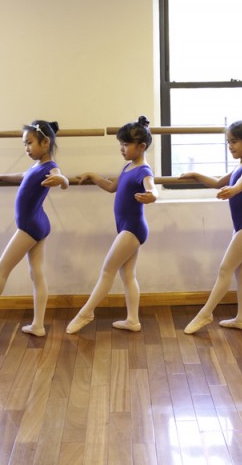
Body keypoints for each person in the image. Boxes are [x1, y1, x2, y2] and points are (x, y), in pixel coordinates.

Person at [0, 120, 68, 337]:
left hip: (30, 226)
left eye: (29, 143)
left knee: (0, 271)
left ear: (45, 142)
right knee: (37, 274)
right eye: (24, 144)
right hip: (39, 223)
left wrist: (61, 179)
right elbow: (23, 176)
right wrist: (2, 177)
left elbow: (61, 177)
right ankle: (38, 325)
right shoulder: (36, 166)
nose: (26, 148)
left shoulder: (50, 167)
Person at [66, 116, 158, 334]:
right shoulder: (128, 167)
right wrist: (92, 175)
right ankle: (133, 320)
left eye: (125, 144)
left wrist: (152, 195)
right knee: (128, 275)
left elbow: (152, 187)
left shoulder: (144, 170)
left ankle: (86, 312)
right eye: (121, 144)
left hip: (133, 229)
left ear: (141, 147)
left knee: (107, 270)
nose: (121, 149)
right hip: (127, 227)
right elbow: (111, 187)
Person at [179, 120, 242, 334]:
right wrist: (195, 174)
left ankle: (206, 313)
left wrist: (233, 190)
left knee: (225, 269)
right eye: (228, 142)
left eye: (234, 142)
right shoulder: (240, 166)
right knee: (241, 274)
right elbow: (217, 182)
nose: (230, 146)